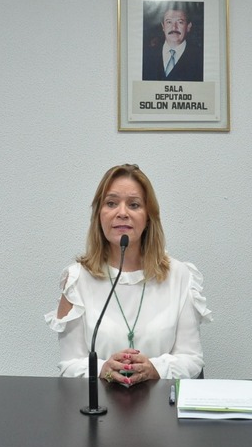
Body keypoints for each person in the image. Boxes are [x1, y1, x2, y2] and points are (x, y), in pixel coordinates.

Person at [45, 164, 211, 385]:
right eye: (111, 203)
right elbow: (70, 364)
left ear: (148, 217)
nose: (122, 213)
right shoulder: (76, 279)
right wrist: (102, 369)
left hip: (162, 402)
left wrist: (155, 369)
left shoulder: (179, 276)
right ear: (99, 215)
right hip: (98, 402)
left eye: (134, 205)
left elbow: (191, 358)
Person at [142, 4, 204, 82]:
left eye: (180, 22)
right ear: (163, 26)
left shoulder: (201, 58)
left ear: (188, 26)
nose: (174, 27)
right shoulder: (146, 55)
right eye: (169, 22)